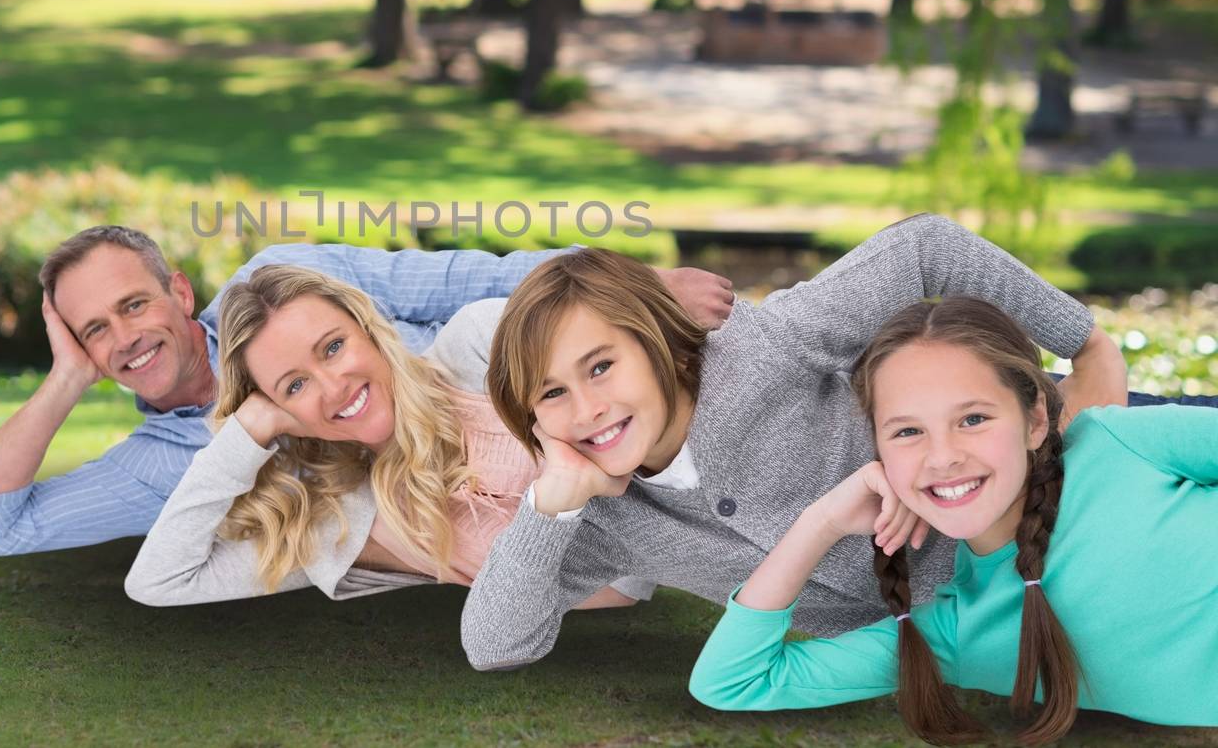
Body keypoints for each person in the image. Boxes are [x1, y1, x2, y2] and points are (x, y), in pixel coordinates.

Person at [459, 214, 1130, 671]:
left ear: (654, 338)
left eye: (601, 365)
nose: (589, 409)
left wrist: (1085, 342)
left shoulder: (762, 345)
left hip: (1068, 477)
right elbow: (494, 645)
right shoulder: (604, 518)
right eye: (552, 394)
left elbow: (926, 247)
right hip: (999, 619)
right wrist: (549, 505)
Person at [0, 225, 734, 556]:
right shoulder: (159, 465)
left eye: (133, 305)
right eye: (94, 331)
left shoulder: (278, 278)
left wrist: (637, 285)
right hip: (505, 506)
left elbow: (469, 278)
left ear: (178, 292)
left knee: (756, 371)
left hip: (543, 391)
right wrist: (63, 380)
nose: (124, 338)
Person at [689, 296, 1218, 738]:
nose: (942, 456)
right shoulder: (953, 633)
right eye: (907, 432)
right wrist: (819, 522)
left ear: (1035, 418)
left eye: (973, 418)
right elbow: (733, 681)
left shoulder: (1113, 442)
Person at [123, 266, 649, 606]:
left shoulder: (475, 347)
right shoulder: (337, 526)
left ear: (369, 329)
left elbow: (628, 369)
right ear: (279, 410)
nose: (334, 388)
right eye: (296, 384)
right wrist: (247, 432)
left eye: (332, 347)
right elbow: (157, 581)